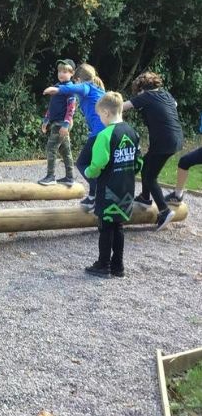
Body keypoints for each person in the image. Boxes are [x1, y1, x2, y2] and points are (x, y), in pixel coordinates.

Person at [83, 91, 142, 278]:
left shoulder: (105, 135)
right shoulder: (132, 132)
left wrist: (89, 172)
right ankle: (118, 266)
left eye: (100, 115)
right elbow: (138, 162)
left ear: (106, 112)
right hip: (126, 189)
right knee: (118, 226)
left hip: (108, 190)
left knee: (105, 227)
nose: (100, 119)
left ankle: (103, 265)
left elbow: (98, 163)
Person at [123, 71, 183, 231]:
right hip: (175, 138)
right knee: (146, 164)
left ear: (141, 88)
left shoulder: (146, 96)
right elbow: (175, 104)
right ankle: (144, 198)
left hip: (164, 141)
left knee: (150, 177)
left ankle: (164, 211)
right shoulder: (166, 94)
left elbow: (121, 107)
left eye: (138, 91)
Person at [43, 63, 106, 211]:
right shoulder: (97, 89)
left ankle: (99, 193)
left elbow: (73, 88)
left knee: (82, 163)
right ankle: (92, 197)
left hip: (100, 133)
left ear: (78, 79)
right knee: (94, 164)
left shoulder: (87, 87)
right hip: (104, 131)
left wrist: (57, 89)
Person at [38, 59, 77, 186]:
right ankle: (70, 177)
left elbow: (71, 109)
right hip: (56, 123)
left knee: (51, 148)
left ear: (72, 73)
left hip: (61, 124)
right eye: (59, 71)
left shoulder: (70, 89)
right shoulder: (57, 87)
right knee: (65, 150)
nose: (61, 74)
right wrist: (46, 120)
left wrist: (66, 124)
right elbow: (52, 106)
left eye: (65, 72)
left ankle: (51, 176)